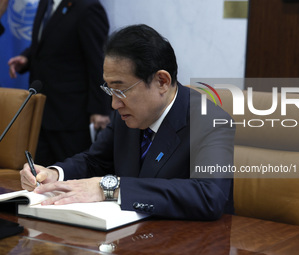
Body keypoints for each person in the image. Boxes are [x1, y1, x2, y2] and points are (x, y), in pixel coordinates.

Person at [20, 24, 235, 220]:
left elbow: (209, 196)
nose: (114, 104)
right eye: (109, 89)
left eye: (121, 90)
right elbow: (96, 161)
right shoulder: (128, 113)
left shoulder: (211, 122)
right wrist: (54, 174)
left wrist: (111, 188)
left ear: (162, 81)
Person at [8, 0, 111, 166]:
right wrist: (27, 58)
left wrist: (100, 108)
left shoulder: (88, 7)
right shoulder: (45, 3)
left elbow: (98, 61)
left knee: (70, 176)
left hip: (71, 116)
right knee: (41, 177)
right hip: (41, 111)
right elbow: (46, 41)